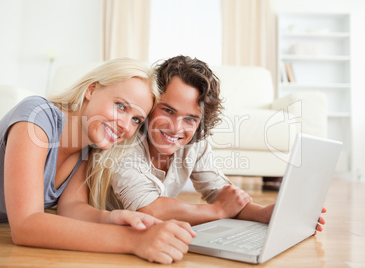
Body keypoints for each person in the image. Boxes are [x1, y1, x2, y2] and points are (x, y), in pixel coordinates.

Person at [0, 58, 195, 265]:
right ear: (91, 90)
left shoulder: (87, 147)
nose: (126, 125)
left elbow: (71, 208)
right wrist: (134, 240)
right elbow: (25, 226)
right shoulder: (37, 117)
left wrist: (113, 219)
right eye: (120, 106)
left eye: (136, 119)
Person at [89, 55, 326, 232]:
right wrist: (217, 211)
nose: (176, 127)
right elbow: (149, 208)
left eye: (190, 118)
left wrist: (264, 213)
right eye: (168, 111)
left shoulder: (193, 143)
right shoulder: (125, 143)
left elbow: (219, 192)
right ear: (151, 105)